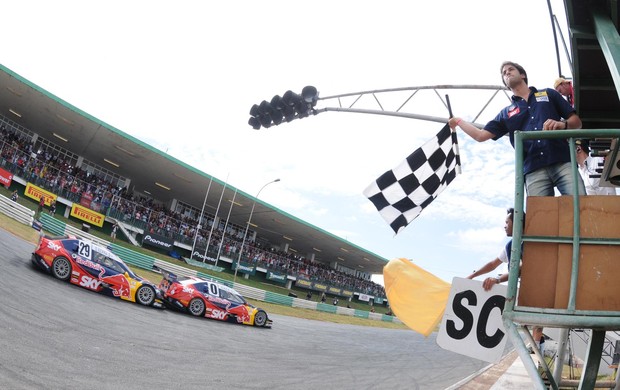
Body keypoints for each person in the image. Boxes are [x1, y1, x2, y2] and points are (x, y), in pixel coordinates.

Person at [450, 61, 586, 197]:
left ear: (522, 75)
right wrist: (459, 121)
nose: (507, 72)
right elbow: (480, 136)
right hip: (533, 169)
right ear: (505, 82)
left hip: (562, 160)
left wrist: (562, 124)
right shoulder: (506, 113)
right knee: (539, 216)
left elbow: (577, 122)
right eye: (504, 73)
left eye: (510, 69)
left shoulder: (548, 94)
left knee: (581, 207)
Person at [467, 208, 519, 291]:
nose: (504, 226)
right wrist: (472, 276)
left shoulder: (529, 244)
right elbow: (492, 264)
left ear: (517, 223)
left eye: (507, 222)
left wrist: (497, 279)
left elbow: (520, 269)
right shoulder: (510, 246)